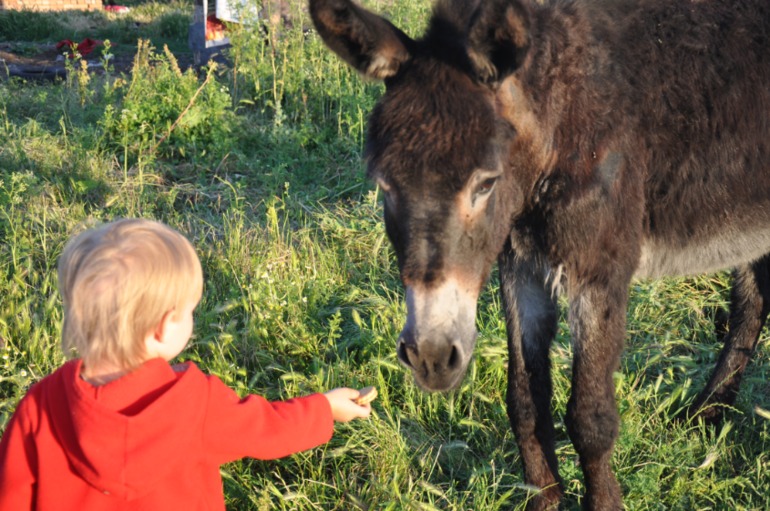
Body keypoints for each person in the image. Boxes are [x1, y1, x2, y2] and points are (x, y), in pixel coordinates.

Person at [0, 218, 372, 510]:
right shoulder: (197, 403)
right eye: (189, 311)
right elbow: (271, 428)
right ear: (163, 327)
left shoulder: (41, 405)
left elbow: (10, 495)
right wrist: (325, 407)